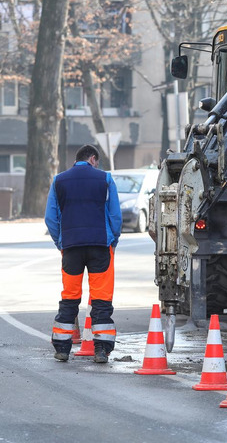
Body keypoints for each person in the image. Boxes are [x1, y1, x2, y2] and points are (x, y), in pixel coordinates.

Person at [44, 144, 122, 363]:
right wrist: (113, 239)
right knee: (101, 299)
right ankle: (101, 350)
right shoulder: (105, 179)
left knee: (69, 297)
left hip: (71, 248)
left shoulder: (59, 180)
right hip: (100, 247)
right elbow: (115, 215)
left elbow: (51, 218)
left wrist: (61, 241)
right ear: (93, 159)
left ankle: (62, 348)